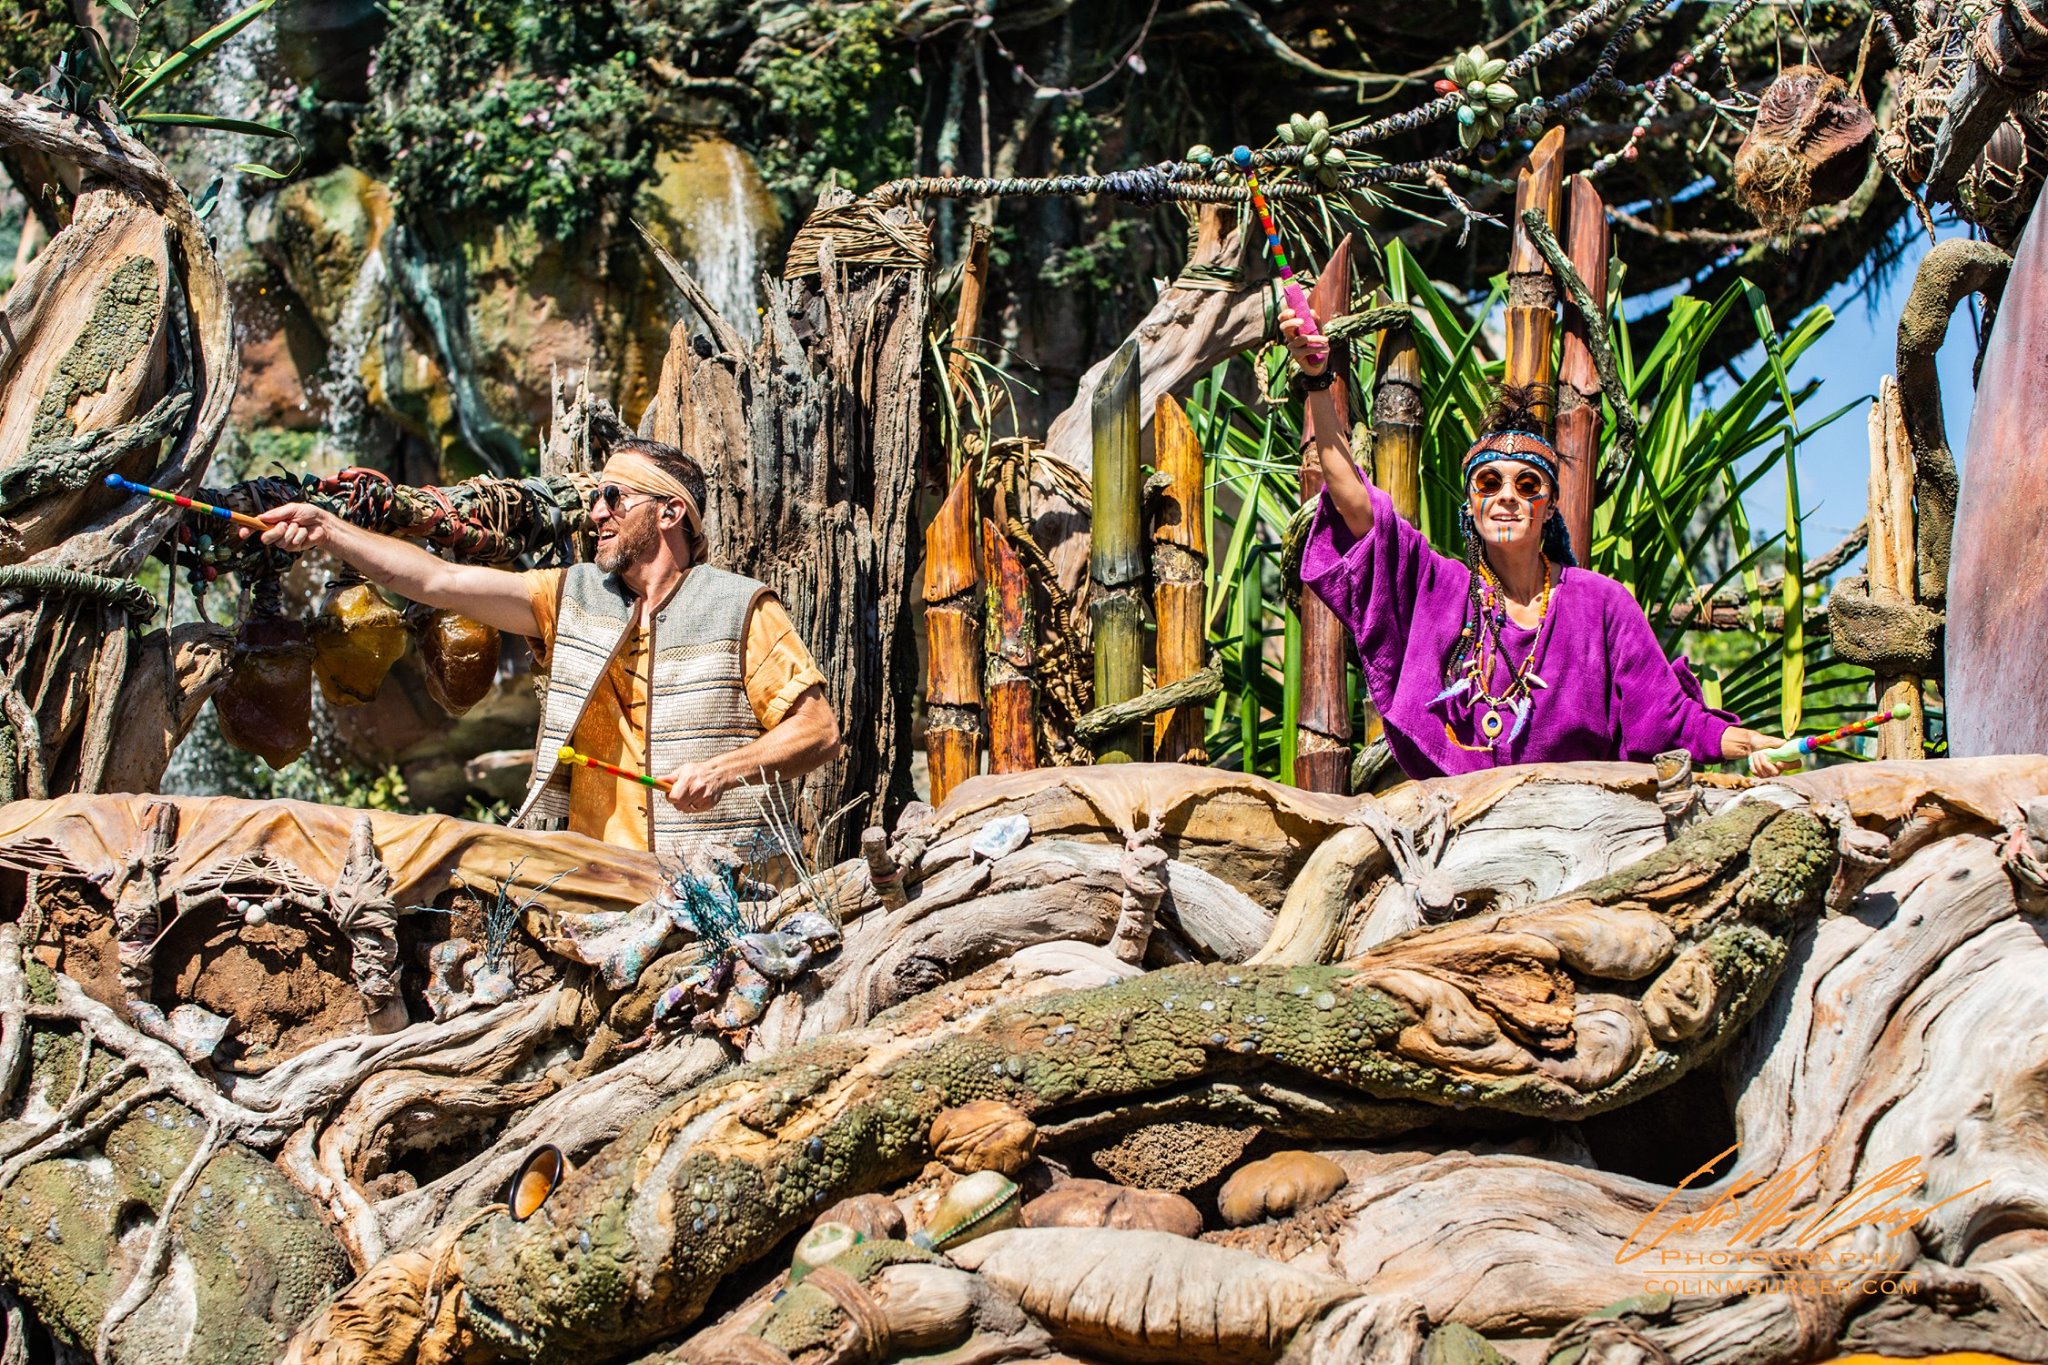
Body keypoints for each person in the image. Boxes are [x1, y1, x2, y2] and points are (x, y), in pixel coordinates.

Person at [249, 438, 842, 863]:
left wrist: (723, 770)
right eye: (596, 497)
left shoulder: (741, 607)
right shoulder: (572, 593)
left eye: (613, 495)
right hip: (594, 877)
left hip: (719, 882)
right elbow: (435, 582)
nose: (595, 512)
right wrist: (328, 529)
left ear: (670, 511)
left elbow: (818, 731)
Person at [1281, 303, 1791, 779]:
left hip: (1579, 833)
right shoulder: (1441, 588)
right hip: (1459, 834)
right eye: (1489, 483)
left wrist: (1751, 746)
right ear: (1471, 506)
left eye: (1527, 486)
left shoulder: (1602, 604)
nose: (1507, 496)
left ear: (1548, 507)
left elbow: (1668, 717)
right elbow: (1356, 504)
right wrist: (1319, 381)